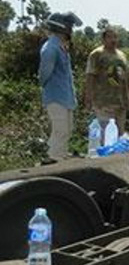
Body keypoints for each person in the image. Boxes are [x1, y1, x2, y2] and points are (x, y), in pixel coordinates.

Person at [38, 11, 82, 160]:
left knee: (67, 130)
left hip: (65, 96)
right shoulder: (51, 48)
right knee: (60, 130)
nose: (71, 29)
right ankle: (52, 160)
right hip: (55, 96)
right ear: (61, 27)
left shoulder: (61, 46)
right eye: (69, 25)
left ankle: (60, 156)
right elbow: (44, 74)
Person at [84, 26, 129, 142]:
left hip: (121, 102)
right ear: (103, 39)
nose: (113, 40)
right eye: (109, 37)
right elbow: (90, 76)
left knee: (120, 134)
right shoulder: (96, 54)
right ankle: (107, 159)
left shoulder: (122, 55)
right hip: (103, 102)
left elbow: (128, 77)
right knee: (106, 136)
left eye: (115, 37)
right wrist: (88, 98)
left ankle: (118, 159)